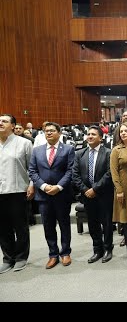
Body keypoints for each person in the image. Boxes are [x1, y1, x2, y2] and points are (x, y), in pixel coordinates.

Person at [28, 122, 75, 269]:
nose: (49, 133)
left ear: (59, 133)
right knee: (48, 226)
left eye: (52, 131)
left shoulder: (68, 149)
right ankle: (53, 254)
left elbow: (70, 171)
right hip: (43, 195)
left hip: (62, 194)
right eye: (46, 131)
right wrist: (43, 186)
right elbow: (32, 171)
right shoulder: (37, 151)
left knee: (64, 225)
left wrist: (58, 187)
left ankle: (65, 252)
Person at [72, 126, 114, 264]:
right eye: (88, 134)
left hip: (103, 194)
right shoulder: (79, 154)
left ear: (101, 138)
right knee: (93, 223)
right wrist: (85, 190)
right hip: (87, 195)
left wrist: (95, 189)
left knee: (106, 223)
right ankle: (97, 249)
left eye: (93, 134)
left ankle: (108, 249)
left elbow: (109, 173)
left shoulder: (108, 153)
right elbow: (75, 175)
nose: (89, 136)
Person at [0, 114, 34, 273]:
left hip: (18, 189)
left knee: (20, 226)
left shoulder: (24, 143)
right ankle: (8, 257)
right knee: (3, 227)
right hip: (0, 191)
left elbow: (32, 168)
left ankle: (21, 257)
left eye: (4, 121)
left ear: (13, 126)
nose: (0, 123)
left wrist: (32, 185)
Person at [110, 122, 127, 261]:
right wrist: (119, 190)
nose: (123, 133)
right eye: (121, 131)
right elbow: (114, 172)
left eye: (126, 131)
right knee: (126, 221)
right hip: (124, 189)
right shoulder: (116, 150)